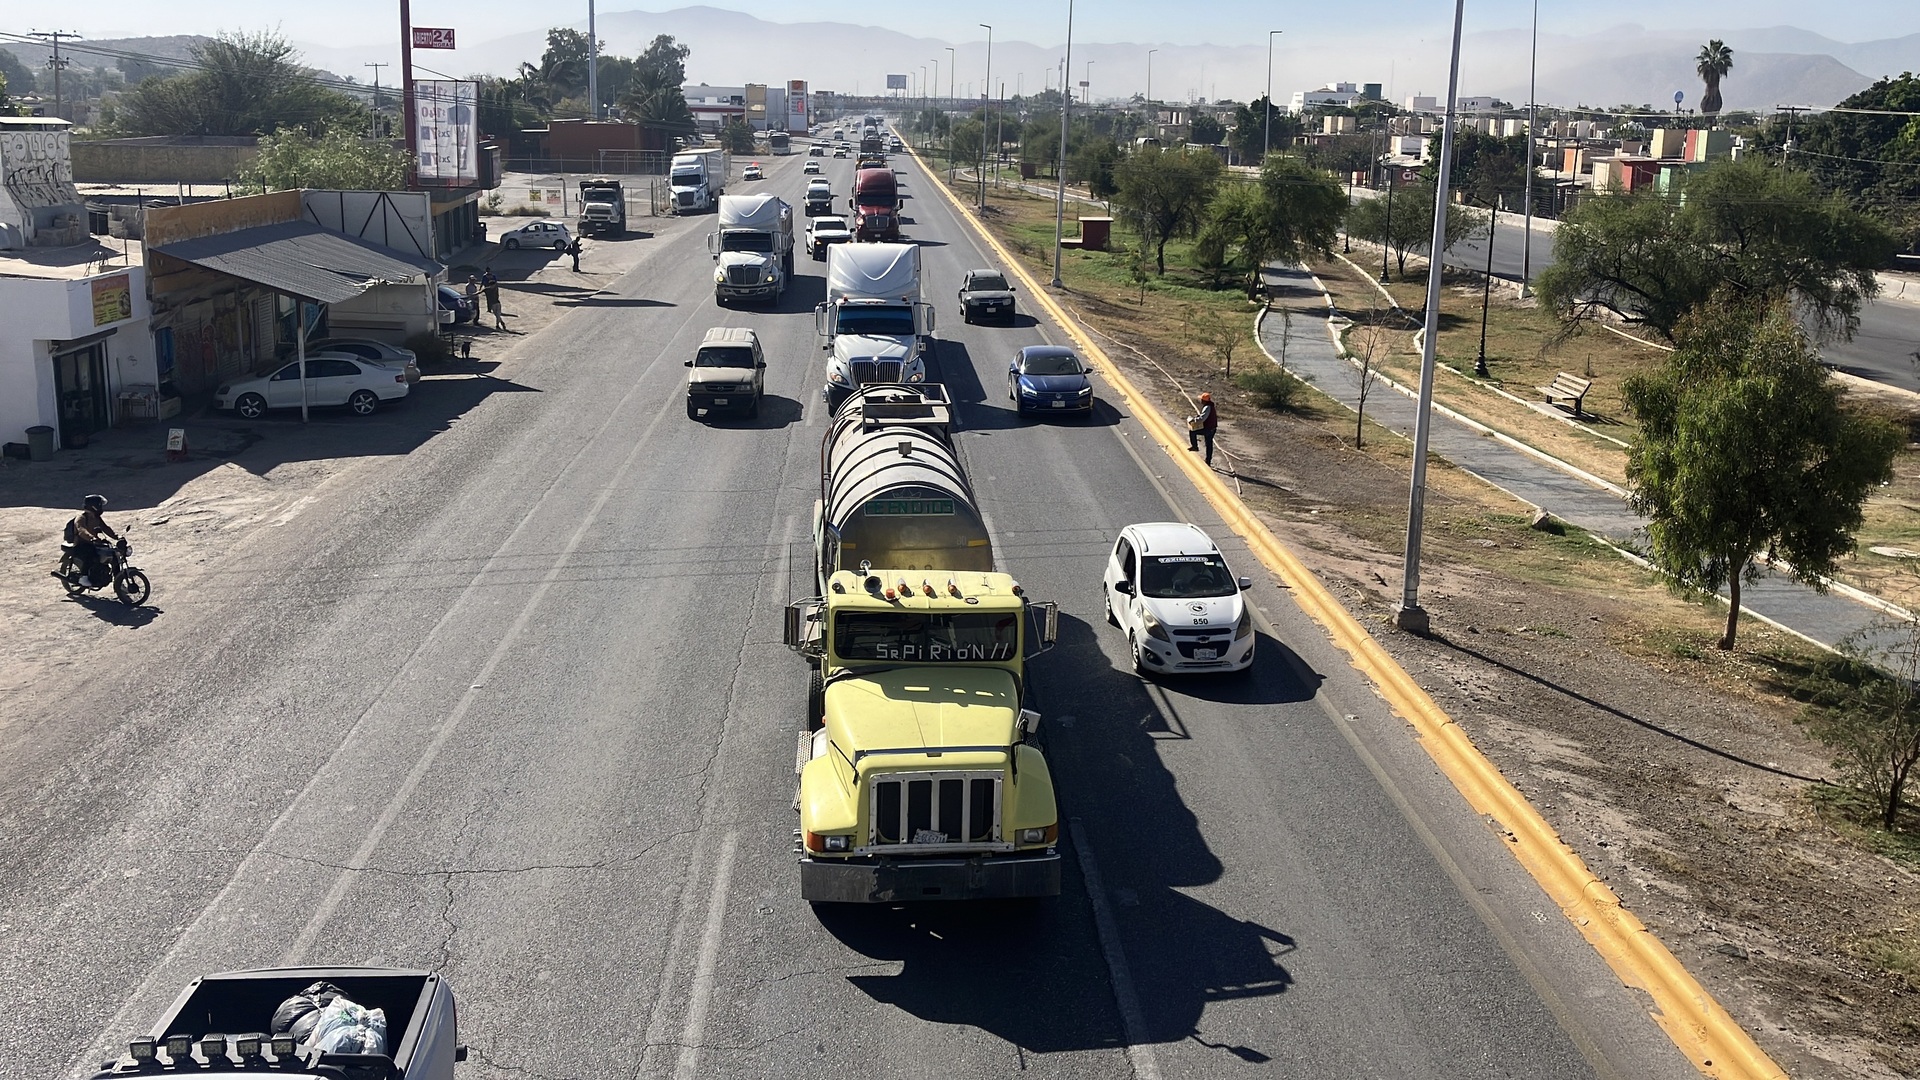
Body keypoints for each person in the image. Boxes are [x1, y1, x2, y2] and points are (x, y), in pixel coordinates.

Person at [65, 494, 120, 586]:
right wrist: (92, 538)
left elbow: (105, 528)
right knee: (92, 555)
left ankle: (118, 579)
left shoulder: (96, 517)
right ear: (94, 506)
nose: (101, 507)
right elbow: (81, 530)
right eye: (100, 505)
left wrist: (116, 537)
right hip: (81, 545)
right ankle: (83, 577)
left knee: (113, 554)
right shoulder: (81, 518)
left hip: (93, 543)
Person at [1187, 392, 1218, 465]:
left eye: (1201, 399)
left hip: (1208, 428)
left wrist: (1194, 420)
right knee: (1209, 444)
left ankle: (1195, 446)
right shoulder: (1210, 406)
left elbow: (1202, 418)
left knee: (1192, 432)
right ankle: (1208, 461)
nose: (1200, 400)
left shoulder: (1207, 407)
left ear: (1204, 401)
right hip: (1212, 428)